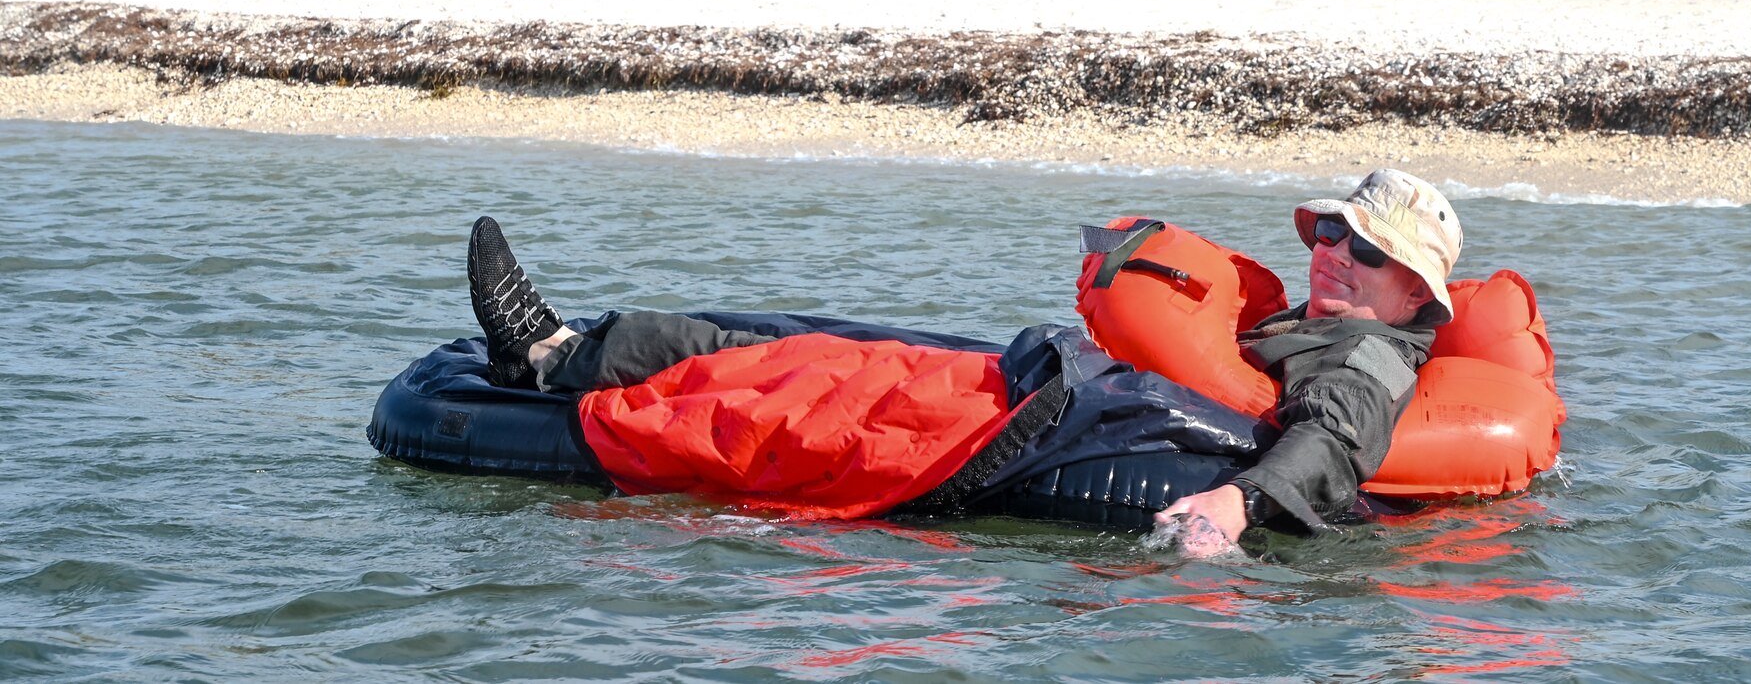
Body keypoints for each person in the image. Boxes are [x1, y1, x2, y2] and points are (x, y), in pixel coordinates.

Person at [466, 168, 1461, 554]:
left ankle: (559, 368)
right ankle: (567, 349)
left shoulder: (1368, 356)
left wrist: (1232, 504)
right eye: (1329, 229)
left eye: (1363, 247)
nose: (1331, 249)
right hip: (1040, 384)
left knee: (798, 391)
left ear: (1415, 288)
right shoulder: (1305, 319)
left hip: (1040, 428)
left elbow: (1334, 437)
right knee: (799, 349)